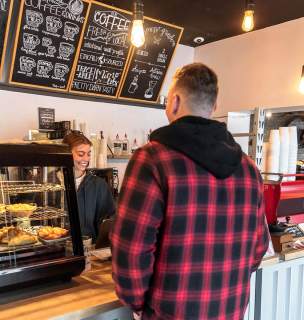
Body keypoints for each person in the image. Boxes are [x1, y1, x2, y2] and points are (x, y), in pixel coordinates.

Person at [110, 63, 270, 320]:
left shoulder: (152, 159)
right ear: (214, 107)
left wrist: (137, 304)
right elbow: (259, 247)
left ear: (174, 101)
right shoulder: (249, 169)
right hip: (230, 312)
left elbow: (131, 249)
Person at [63, 131, 115, 243]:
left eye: (89, 154)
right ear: (65, 154)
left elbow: (108, 221)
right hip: (55, 251)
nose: (86, 159)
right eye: (81, 154)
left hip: (88, 249)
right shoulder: (51, 184)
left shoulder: (98, 185)